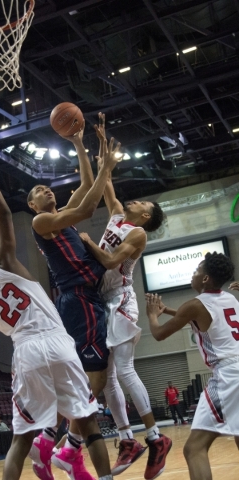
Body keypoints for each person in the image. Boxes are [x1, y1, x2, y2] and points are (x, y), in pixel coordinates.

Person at [0, 137, 115, 480]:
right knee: (87, 422)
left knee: (20, 439)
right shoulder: (8, 263)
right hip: (57, 340)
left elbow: (5, 324)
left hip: (25, 351)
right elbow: (1, 213)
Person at [27, 119, 125, 480]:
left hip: (88, 300)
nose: (47, 193)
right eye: (40, 190)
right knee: (93, 378)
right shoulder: (42, 224)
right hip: (77, 300)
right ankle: (58, 439)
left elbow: (85, 187)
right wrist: (108, 169)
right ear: (31, 202)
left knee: (94, 376)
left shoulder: (60, 218)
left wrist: (81, 145)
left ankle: (64, 442)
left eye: (48, 190)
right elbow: (87, 208)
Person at [79, 114, 171, 480]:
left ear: (145, 215)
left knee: (125, 370)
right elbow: (107, 186)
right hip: (106, 301)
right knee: (111, 377)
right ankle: (127, 438)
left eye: (142, 202)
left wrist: (87, 243)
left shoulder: (140, 235)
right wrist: (101, 151)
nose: (135, 200)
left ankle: (156, 437)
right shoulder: (117, 214)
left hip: (121, 301)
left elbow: (112, 261)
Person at [146, 251, 239, 480]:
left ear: (205, 278)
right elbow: (198, 317)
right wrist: (167, 310)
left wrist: (152, 315)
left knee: (193, 449)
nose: (194, 274)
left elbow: (158, 334)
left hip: (229, 376)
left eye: (197, 270)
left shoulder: (195, 305)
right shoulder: (230, 298)